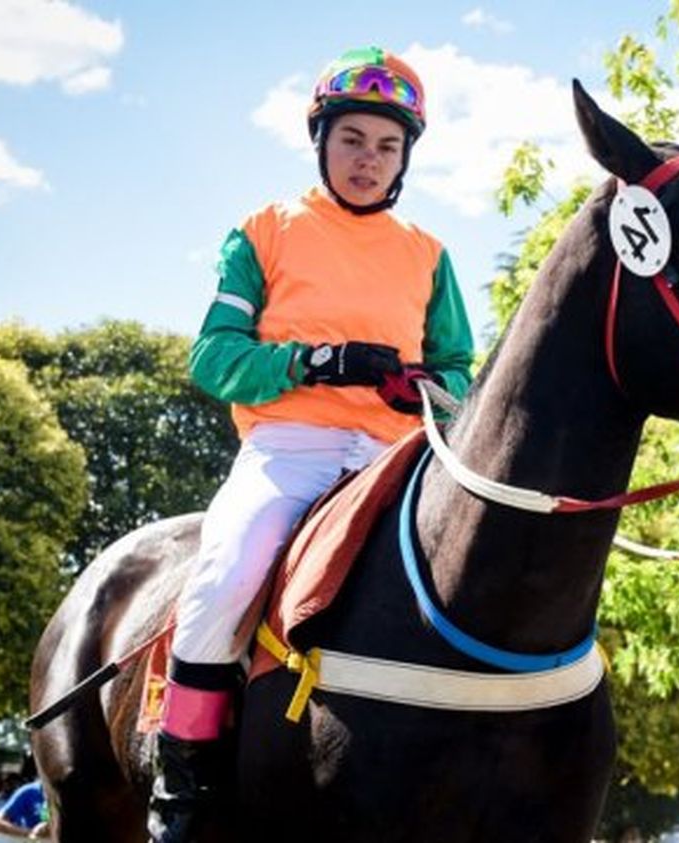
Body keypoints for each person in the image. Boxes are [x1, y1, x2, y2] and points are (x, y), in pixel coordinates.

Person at [148, 45, 473, 842]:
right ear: (321, 139)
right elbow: (213, 358)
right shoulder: (262, 230)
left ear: (406, 157)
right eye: (354, 139)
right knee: (226, 573)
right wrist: (315, 361)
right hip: (288, 450)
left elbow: (463, 371)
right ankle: (182, 784)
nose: (370, 160)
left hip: (398, 459)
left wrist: (426, 387)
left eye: (388, 146)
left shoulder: (429, 254)